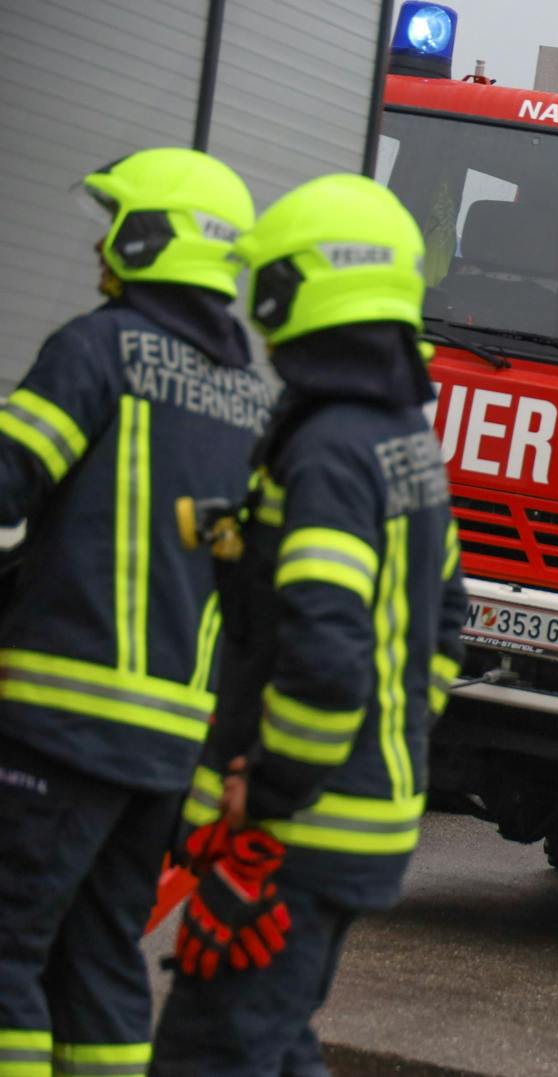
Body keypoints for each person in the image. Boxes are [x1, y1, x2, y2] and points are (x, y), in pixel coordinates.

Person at [150, 173, 467, 1074]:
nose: (259, 307)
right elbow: (444, 619)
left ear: (310, 286)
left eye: (272, 283)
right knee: (274, 1044)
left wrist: (270, 793)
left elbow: (327, 663)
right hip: (359, 816)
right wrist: (393, 734)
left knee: (215, 1052)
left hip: (298, 827)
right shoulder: (403, 440)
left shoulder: (328, 450)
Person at [0, 148, 267, 1074]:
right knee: (101, 955)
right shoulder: (249, 400)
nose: (101, 244)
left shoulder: (97, 348)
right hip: (166, 747)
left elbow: (8, 481)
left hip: (59, 723)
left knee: (7, 947)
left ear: (151, 236)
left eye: (115, 222)